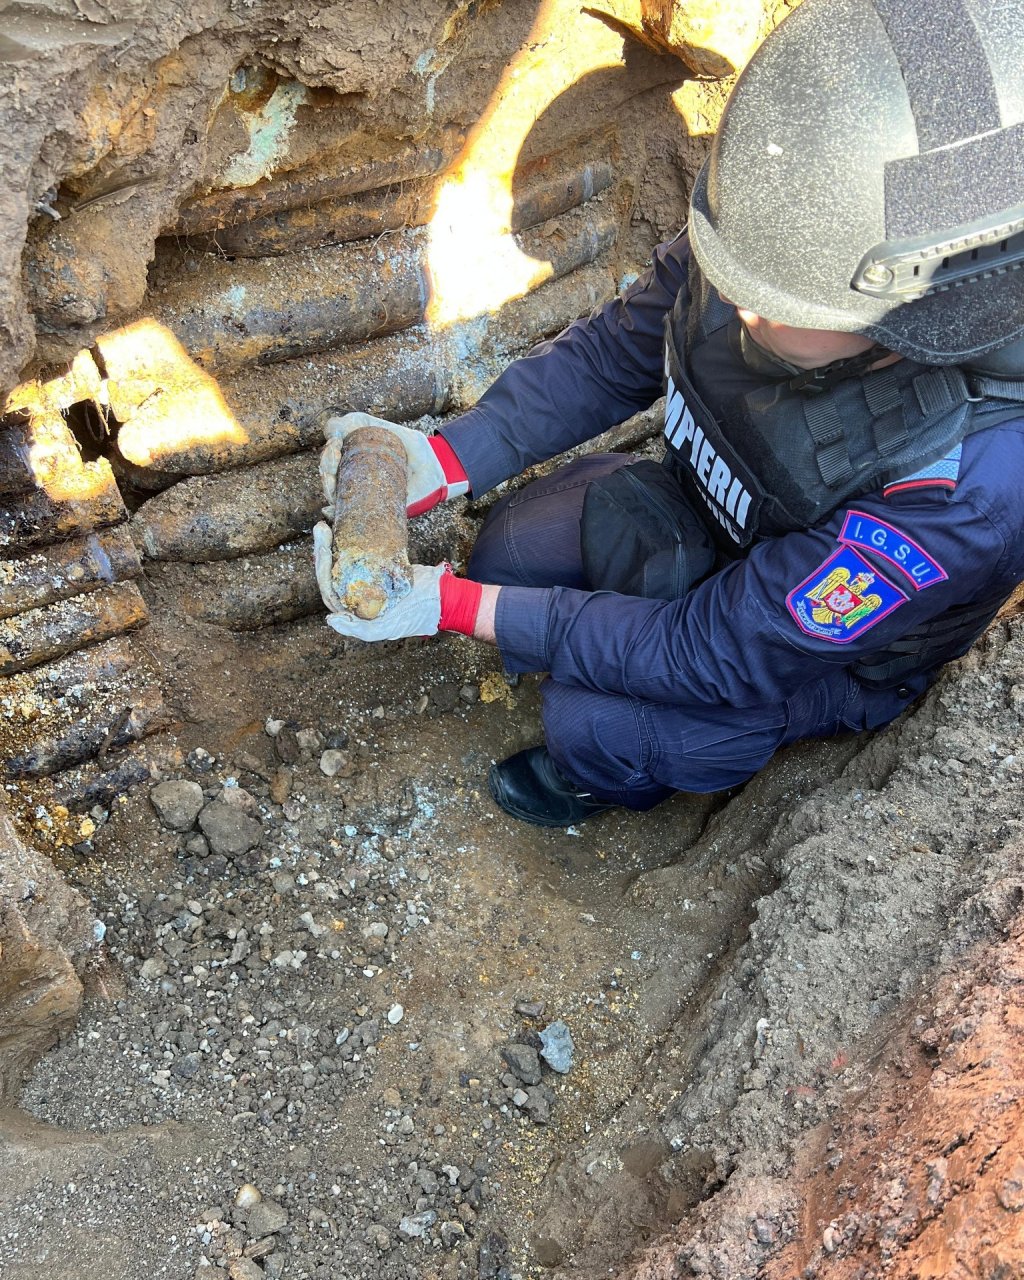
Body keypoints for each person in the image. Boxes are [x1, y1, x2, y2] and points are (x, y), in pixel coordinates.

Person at [314, 0, 1024, 828]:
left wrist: (453, 607)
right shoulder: (784, 240)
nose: (732, 302)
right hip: (717, 513)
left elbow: (710, 651)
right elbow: (615, 353)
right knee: (509, 550)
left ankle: (613, 778)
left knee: (596, 725)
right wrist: (443, 460)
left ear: (922, 313)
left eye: (769, 301)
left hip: (805, 654)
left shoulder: (966, 489)